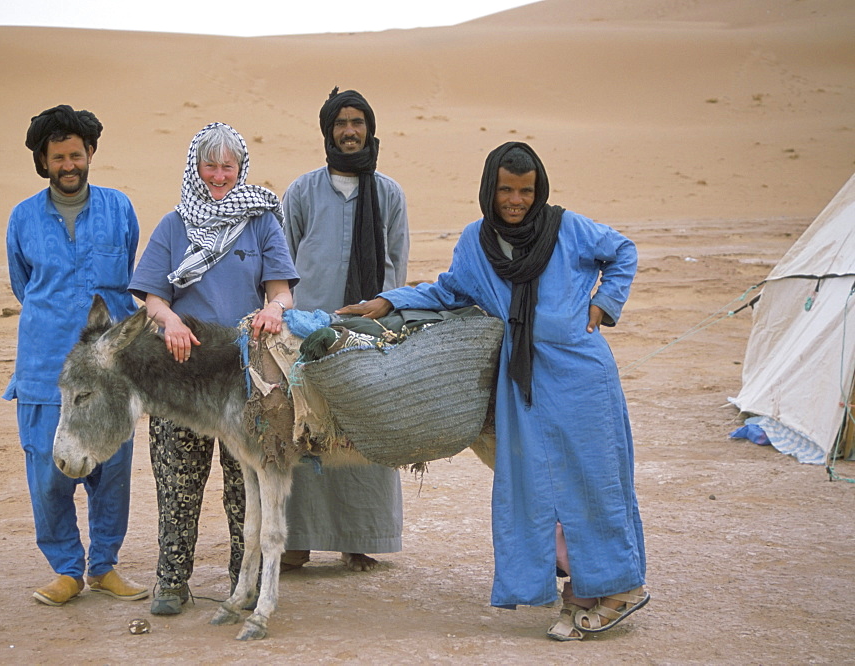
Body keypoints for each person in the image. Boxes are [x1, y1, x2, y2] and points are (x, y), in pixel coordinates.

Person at [339, 142, 648, 640]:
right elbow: (447, 291)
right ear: (490, 188)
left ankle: (616, 588)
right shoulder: (476, 242)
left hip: (582, 378)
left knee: (592, 480)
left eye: (526, 191)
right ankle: (582, 590)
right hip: (522, 384)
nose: (517, 201)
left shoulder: (566, 228)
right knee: (537, 485)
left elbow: (622, 252)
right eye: (506, 189)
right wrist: (387, 301)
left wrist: (604, 303)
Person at [127, 122, 299, 615]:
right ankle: (170, 582)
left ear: (241, 168)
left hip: (243, 374)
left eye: (228, 166)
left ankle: (241, 581)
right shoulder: (174, 225)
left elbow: (282, 289)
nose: (218, 176)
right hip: (180, 372)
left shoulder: (262, 220)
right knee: (177, 481)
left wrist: (275, 310)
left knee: (244, 484)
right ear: (194, 167)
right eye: (210, 165)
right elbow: (153, 297)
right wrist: (171, 320)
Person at [5, 104, 146, 606]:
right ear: (44, 162)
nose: (69, 165)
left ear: (90, 155)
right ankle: (66, 569)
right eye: (58, 157)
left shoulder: (118, 208)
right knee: (48, 473)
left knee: (112, 473)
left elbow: (129, 273)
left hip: (110, 370)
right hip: (44, 368)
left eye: (77, 155)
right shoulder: (22, 217)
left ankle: (104, 566)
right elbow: (25, 285)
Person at [280, 87, 409, 572]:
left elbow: (396, 264)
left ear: (370, 130)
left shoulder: (390, 193)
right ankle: (298, 539)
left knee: (364, 429)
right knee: (305, 427)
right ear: (327, 131)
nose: (350, 131)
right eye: (341, 124)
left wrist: (388, 321)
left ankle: (361, 536)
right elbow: (283, 261)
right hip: (306, 333)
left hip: (368, 333)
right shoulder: (302, 191)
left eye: (357, 122)